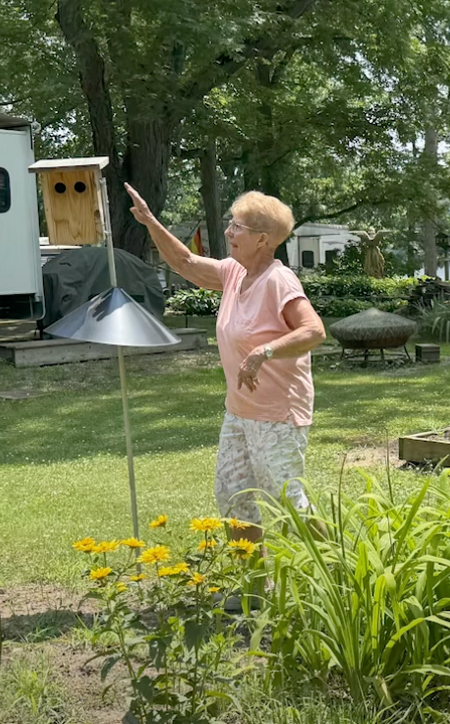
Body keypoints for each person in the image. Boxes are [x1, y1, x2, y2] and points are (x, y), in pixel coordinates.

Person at [125, 183, 326, 548]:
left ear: (263, 240)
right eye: (231, 224)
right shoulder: (235, 272)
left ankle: (339, 576)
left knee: (287, 501)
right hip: (239, 412)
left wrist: (264, 351)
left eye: (237, 227)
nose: (229, 232)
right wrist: (150, 221)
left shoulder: (278, 280)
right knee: (233, 496)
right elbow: (185, 262)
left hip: (277, 414)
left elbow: (313, 330)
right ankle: (251, 588)